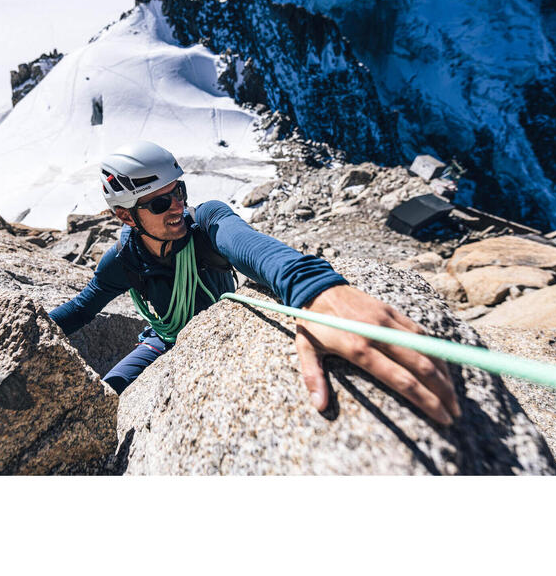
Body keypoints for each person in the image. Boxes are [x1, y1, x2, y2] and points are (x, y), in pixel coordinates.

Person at [50, 141, 460, 425]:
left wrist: (315, 289)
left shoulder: (205, 221)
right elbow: (82, 308)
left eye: (179, 192)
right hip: (161, 340)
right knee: (107, 395)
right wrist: (27, 329)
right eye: (160, 202)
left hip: (211, 331)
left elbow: (251, 247)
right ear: (126, 217)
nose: (178, 207)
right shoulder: (123, 260)